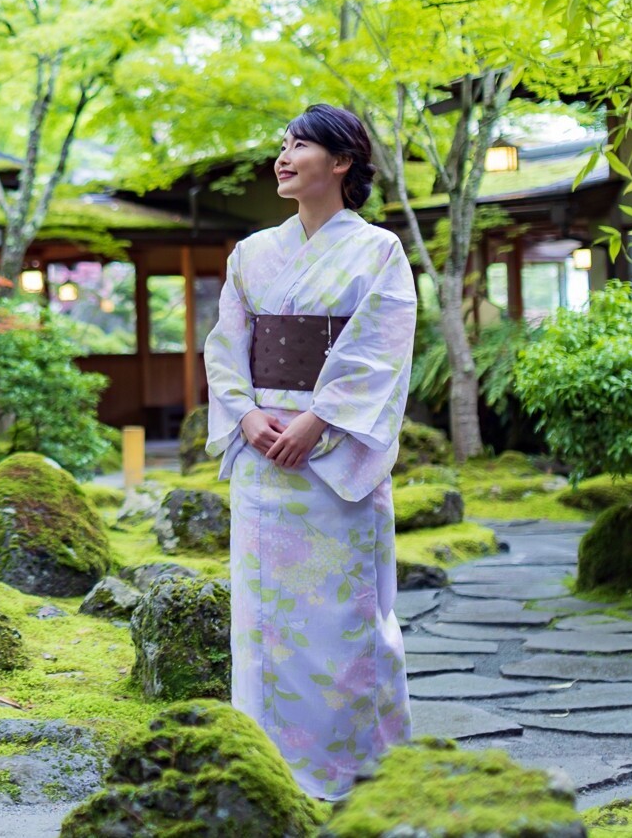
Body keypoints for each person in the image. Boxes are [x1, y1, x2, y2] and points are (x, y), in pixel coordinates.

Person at [202, 103, 418, 799]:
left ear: (343, 161)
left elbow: (379, 349)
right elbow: (226, 345)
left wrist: (316, 418)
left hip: (331, 463)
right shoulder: (252, 254)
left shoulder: (378, 250)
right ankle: (271, 769)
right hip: (266, 461)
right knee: (265, 624)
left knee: (346, 618)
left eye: (301, 145)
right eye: (283, 145)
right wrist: (246, 413)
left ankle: (358, 766)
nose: (284, 156)